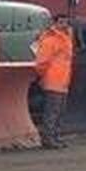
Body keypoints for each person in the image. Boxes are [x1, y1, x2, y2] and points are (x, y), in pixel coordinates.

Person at [35, 14, 75, 149]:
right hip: (54, 81)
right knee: (52, 112)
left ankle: (55, 137)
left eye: (66, 22)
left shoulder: (65, 38)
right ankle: (48, 139)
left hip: (62, 81)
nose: (64, 25)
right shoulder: (51, 40)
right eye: (61, 22)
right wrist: (42, 76)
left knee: (59, 111)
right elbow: (41, 62)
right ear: (54, 23)